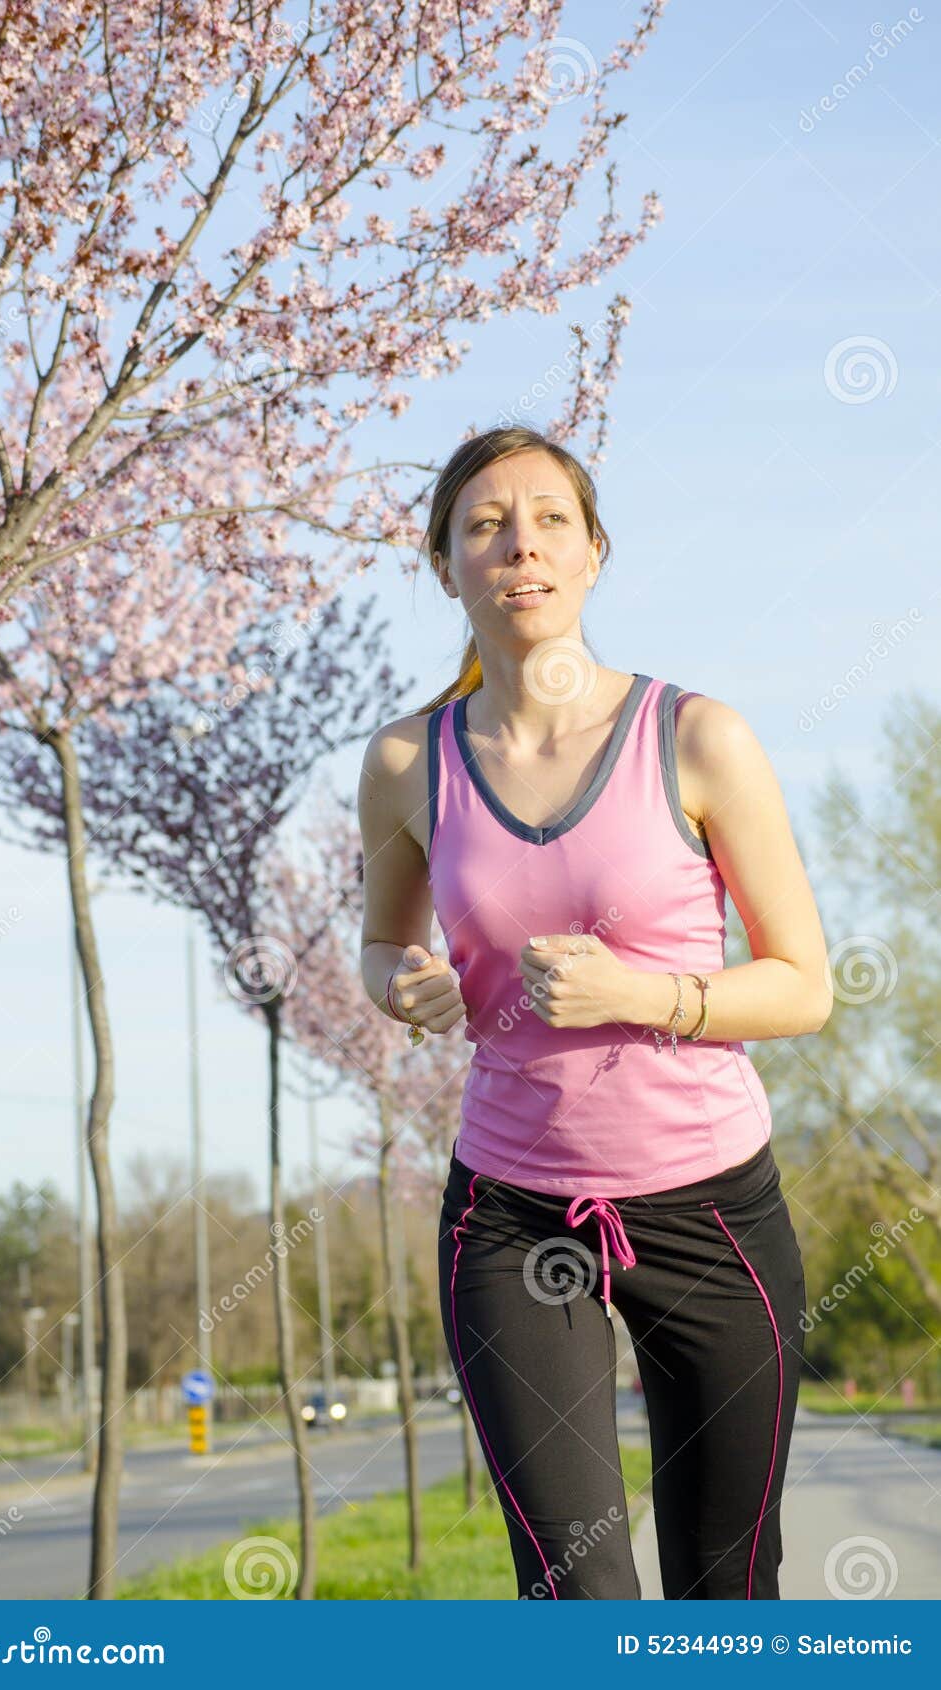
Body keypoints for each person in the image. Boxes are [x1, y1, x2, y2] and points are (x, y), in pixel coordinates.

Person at [357, 426, 829, 1600]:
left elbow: (803, 984)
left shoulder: (695, 736)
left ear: (593, 553)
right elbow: (381, 941)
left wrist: (646, 996)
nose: (519, 544)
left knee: (726, 1584)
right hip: (512, 1216)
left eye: (548, 520)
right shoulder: (409, 762)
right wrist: (400, 983)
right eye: (483, 525)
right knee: (575, 1594)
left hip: (709, 1205)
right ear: (444, 566)